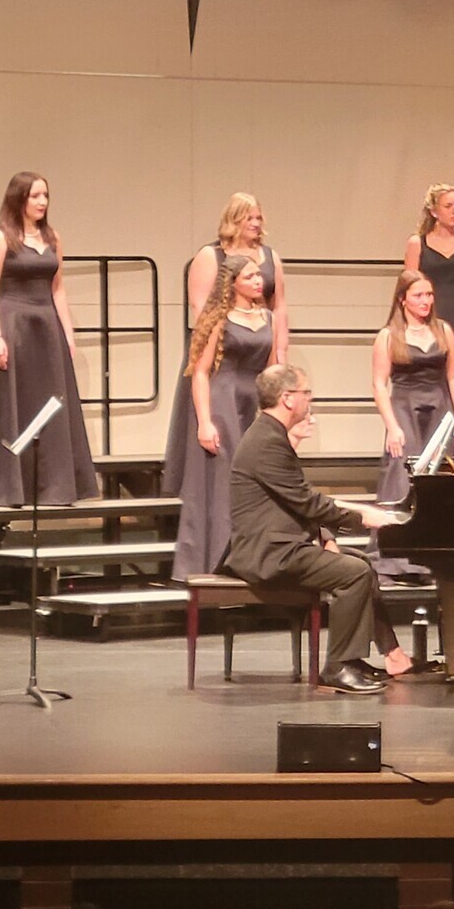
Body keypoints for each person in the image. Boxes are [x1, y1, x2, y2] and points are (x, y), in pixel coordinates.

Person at [223, 364, 410, 693]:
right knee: (353, 573)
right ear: (288, 399)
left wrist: (329, 532)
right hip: (270, 552)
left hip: (283, 543)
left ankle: (361, 658)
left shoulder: (269, 434)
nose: (310, 399)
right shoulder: (267, 441)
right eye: (306, 393)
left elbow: (297, 499)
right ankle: (336, 668)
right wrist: (362, 518)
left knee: (361, 564)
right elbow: (306, 502)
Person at [0, 172, 98, 506]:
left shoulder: (52, 237)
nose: (42, 202)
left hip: (47, 327)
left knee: (51, 403)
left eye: (45, 196)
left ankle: (55, 488)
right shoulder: (0, 238)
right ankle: (7, 489)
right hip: (14, 326)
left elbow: (58, 288)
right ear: (19, 199)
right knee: (14, 403)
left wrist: (68, 333)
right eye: (35, 196)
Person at [167, 253, 273, 581]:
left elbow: (272, 367)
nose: (259, 281)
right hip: (223, 400)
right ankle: (212, 560)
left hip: (253, 399)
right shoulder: (219, 319)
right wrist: (204, 421)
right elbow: (200, 373)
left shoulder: (267, 316)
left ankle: (251, 559)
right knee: (223, 481)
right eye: (251, 276)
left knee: (255, 481)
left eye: (259, 275)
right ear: (233, 283)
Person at [370, 270, 454, 578]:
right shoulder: (389, 335)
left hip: (439, 408)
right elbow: (378, 383)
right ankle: (398, 555)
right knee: (402, 476)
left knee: (437, 480)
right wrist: (392, 425)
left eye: (429, 295)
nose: (425, 301)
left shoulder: (443, 330)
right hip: (404, 408)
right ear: (403, 299)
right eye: (418, 295)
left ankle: (434, 551)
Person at [403, 184, 454, 452]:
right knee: (435, 381)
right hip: (429, 320)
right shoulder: (418, 243)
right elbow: (409, 285)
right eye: (449, 206)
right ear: (434, 211)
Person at [187, 192, 289, 358]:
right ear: (233, 219)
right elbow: (200, 307)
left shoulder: (271, 257)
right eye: (249, 218)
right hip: (223, 347)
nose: (255, 223)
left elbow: (279, 307)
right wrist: (216, 345)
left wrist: (280, 352)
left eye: (259, 218)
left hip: (260, 347)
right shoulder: (210, 255)